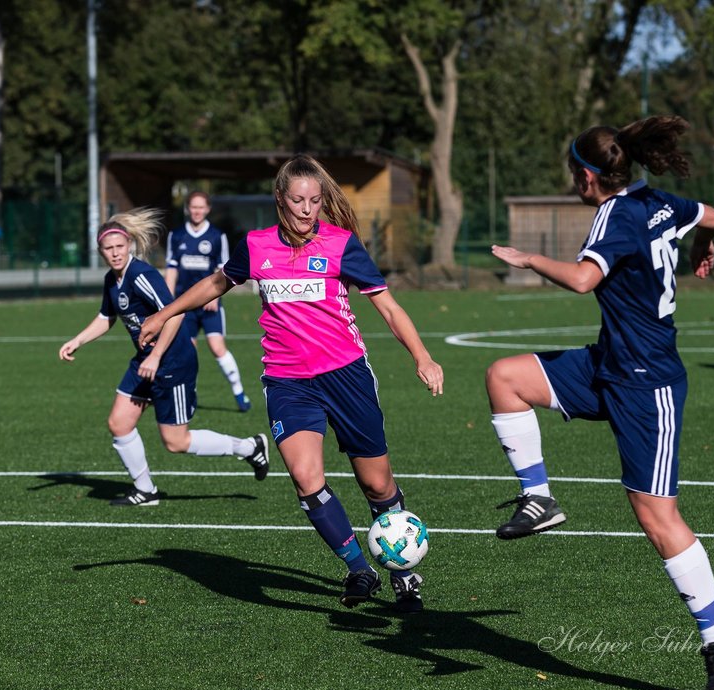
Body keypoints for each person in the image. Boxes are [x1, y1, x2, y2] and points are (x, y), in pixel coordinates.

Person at [484, 116, 714, 690]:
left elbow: (583, 280)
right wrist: (703, 247)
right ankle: (540, 497)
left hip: (647, 384)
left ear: (586, 176)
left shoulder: (615, 215)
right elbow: (710, 216)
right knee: (504, 377)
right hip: (610, 365)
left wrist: (529, 260)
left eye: (571, 173)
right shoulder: (658, 203)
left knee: (657, 516)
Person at [138, 155, 444, 614]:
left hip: (346, 374)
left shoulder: (342, 245)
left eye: (315, 201)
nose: (307, 210)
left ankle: (404, 574)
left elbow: (389, 308)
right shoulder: (256, 245)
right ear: (280, 200)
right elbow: (216, 282)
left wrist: (422, 356)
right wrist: (166, 312)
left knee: (377, 486)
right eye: (298, 200)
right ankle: (359, 569)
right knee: (305, 478)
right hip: (287, 380)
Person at [58, 207, 271, 507]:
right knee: (119, 423)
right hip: (146, 360)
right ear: (100, 251)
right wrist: (77, 340)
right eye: (109, 249)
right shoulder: (112, 279)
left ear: (129, 245)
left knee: (176, 442)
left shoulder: (142, 275)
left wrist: (156, 357)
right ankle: (145, 491)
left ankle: (249, 447)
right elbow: (107, 317)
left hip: (172, 361)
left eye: (120, 246)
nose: (116, 253)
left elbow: (174, 315)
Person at [165, 192, 252, 412]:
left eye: (201, 207)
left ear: (208, 209)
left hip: (209, 304)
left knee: (217, 347)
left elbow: (223, 270)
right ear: (187, 209)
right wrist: (168, 302)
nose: (197, 211)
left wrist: (215, 296)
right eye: (193, 207)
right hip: (186, 306)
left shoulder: (216, 236)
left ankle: (239, 392)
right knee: (187, 351)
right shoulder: (176, 235)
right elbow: (172, 270)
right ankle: (188, 395)